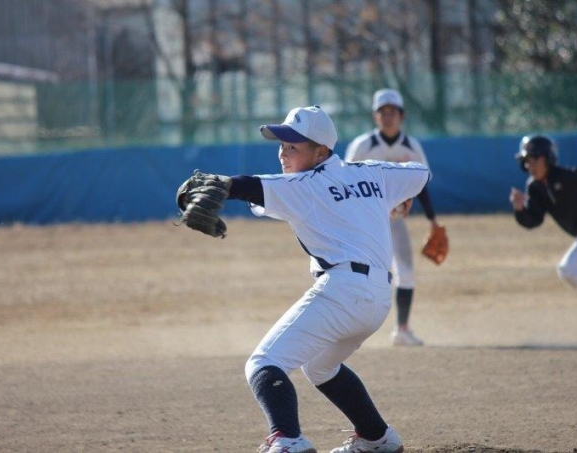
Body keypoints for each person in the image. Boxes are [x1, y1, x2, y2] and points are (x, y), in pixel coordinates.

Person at [177, 105, 429, 452]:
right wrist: (401, 196)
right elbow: (420, 173)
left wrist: (223, 184)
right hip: (378, 299)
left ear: (321, 152)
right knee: (321, 367)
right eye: (282, 145)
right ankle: (378, 438)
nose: (283, 153)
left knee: (263, 363)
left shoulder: (304, 185)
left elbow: (251, 186)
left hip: (344, 291)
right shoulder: (371, 172)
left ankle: (287, 439)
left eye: (293, 146)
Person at [344, 88, 441, 347]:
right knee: (355, 275)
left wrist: (433, 221)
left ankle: (402, 330)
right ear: (375, 116)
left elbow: (421, 184)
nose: (388, 117)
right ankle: (347, 329)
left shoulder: (411, 147)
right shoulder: (363, 146)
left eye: (393, 112)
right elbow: (343, 183)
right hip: (363, 222)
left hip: (394, 220)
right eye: (383, 112)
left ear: (402, 116)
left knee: (406, 272)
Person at [510, 134, 577, 299]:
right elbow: (534, 220)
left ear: (548, 158)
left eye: (535, 159)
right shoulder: (535, 187)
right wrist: (520, 210)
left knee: (568, 268)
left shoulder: (566, 176)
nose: (531, 165)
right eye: (527, 161)